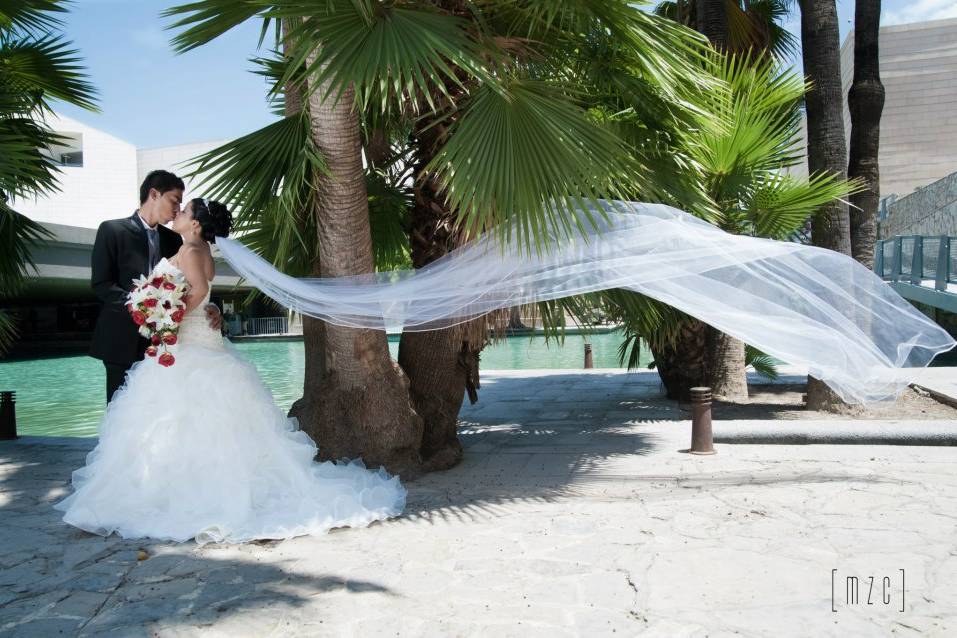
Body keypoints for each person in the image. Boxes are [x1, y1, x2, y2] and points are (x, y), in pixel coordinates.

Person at [56, 199, 406, 544]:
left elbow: (200, 291)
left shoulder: (193, 251)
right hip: (190, 340)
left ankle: (193, 494)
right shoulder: (190, 247)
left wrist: (166, 318)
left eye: (185, 210)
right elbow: (197, 292)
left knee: (190, 412)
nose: (178, 212)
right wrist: (162, 311)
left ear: (195, 224)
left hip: (191, 341)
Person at [89, 170, 221, 402]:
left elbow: (192, 282)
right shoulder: (111, 230)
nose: (177, 209)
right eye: (174, 200)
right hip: (121, 340)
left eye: (181, 203)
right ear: (154, 194)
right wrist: (144, 307)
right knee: (120, 413)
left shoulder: (175, 239)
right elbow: (102, 284)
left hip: (168, 344)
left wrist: (214, 308)